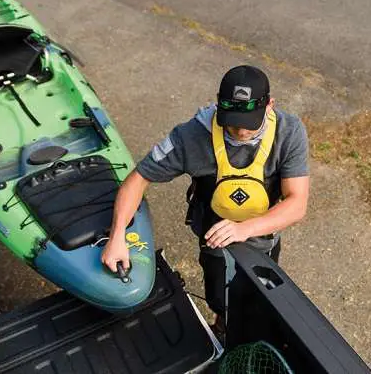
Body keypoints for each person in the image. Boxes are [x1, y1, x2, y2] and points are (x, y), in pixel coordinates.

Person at [101, 65, 310, 334]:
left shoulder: (289, 133)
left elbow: (297, 203)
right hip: (214, 238)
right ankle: (223, 324)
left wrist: (243, 229)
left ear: (270, 105)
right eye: (232, 122)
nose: (240, 132)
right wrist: (117, 235)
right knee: (219, 296)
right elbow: (138, 179)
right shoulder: (190, 137)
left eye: (249, 123)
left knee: (262, 298)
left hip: (263, 237)